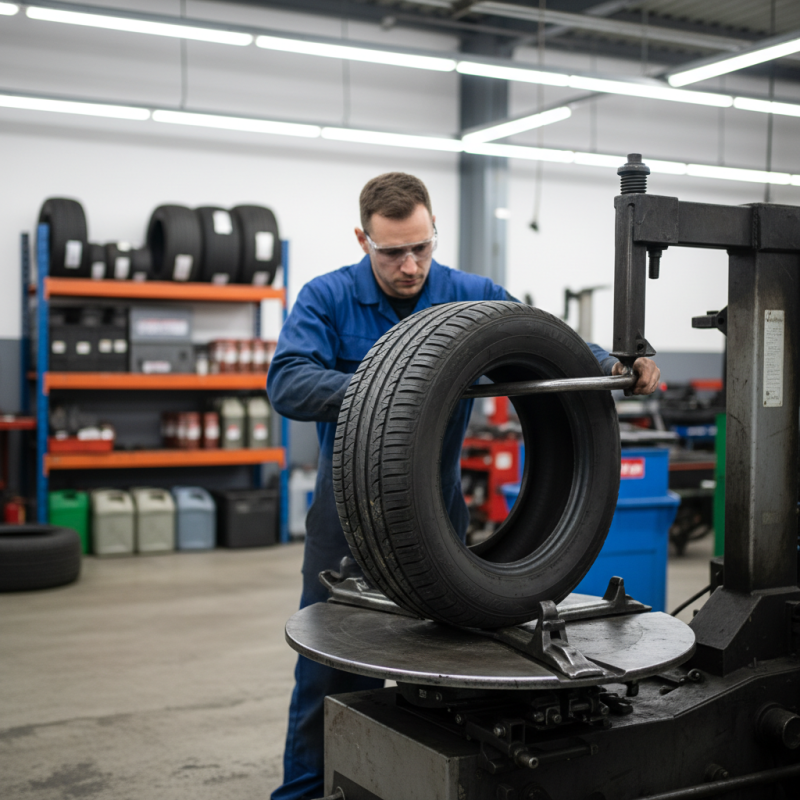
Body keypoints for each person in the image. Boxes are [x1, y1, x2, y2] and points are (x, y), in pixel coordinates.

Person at [267, 172, 659, 800]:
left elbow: (540, 340)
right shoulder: (327, 297)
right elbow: (287, 382)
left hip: (436, 520)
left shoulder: (467, 294)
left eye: (422, 246)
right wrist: (390, 391)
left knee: (447, 671)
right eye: (393, 251)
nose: (410, 264)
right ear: (362, 239)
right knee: (329, 679)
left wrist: (610, 363)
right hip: (347, 524)